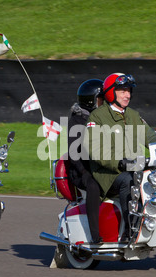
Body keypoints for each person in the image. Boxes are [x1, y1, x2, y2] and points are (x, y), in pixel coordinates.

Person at [86, 73, 156, 241]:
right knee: (129, 180)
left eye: (129, 91)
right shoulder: (97, 117)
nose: (128, 95)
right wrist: (118, 162)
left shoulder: (133, 115)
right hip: (108, 174)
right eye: (123, 91)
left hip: (133, 167)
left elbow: (151, 137)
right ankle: (130, 230)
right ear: (111, 92)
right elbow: (95, 149)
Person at [68, 79, 104, 244]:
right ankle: (94, 236)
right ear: (92, 100)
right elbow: (74, 153)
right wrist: (84, 173)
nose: (104, 102)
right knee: (94, 186)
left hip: (100, 165)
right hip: (81, 169)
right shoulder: (78, 120)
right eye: (101, 98)